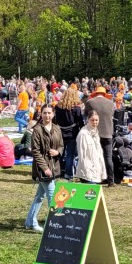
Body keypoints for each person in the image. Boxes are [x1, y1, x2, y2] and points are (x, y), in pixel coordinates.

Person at [26, 104, 62, 233]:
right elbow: (35, 151)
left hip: (54, 167)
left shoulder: (57, 128)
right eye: (44, 113)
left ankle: (30, 222)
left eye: (49, 113)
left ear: (53, 114)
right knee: (53, 196)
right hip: (42, 169)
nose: (47, 115)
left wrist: (57, 152)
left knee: (40, 196)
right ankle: (56, 224)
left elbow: (61, 145)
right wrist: (45, 168)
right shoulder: (37, 130)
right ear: (41, 114)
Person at [83, 86, 117, 184]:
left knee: (94, 157)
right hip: (108, 133)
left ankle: (95, 178)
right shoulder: (111, 103)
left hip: (94, 133)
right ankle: (111, 180)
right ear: (104, 94)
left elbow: (85, 115)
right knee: (108, 157)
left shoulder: (90, 102)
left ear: (95, 93)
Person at [53, 90, 84, 178]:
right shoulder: (76, 109)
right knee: (70, 155)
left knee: (59, 153)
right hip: (72, 134)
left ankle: (57, 171)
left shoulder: (57, 107)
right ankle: (68, 173)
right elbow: (80, 122)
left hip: (60, 133)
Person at [75, 111, 106, 184]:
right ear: (87, 120)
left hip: (96, 171)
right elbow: (82, 156)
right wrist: (87, 173)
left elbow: (99, 154)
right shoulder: (83, 134)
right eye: (92, 120)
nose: (94, 122)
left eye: (96, 120)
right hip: (87, 173)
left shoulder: (95, 132)